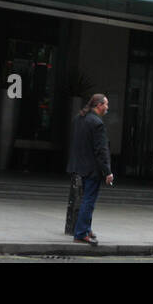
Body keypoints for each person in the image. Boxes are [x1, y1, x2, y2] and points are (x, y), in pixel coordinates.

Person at [66, 93, 112, 244]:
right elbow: (101, 150)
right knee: (88, 200)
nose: (107, 108)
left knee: (85, 198)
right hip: (92, 168)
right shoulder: (97, 123)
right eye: (105, 104)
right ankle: (80, 233)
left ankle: (86, 228)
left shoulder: (79, 118)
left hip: (79, 165)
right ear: (98, 105)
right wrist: (107, 171)